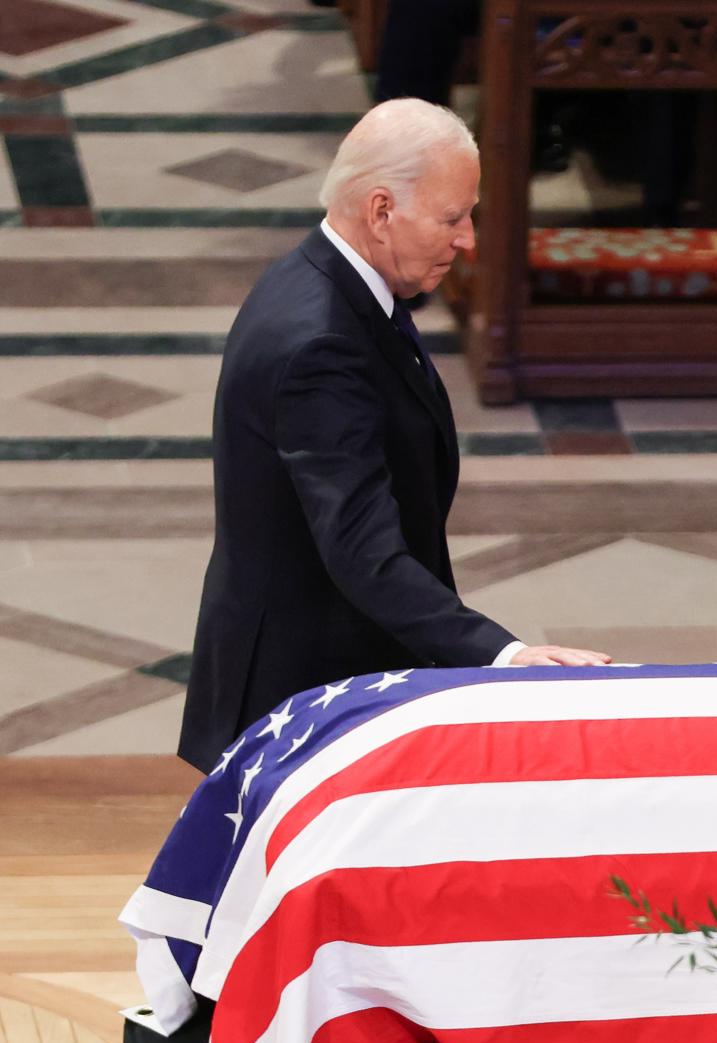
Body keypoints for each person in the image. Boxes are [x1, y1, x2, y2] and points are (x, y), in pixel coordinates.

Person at [178, 99, 608, 772]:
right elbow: (360, 549)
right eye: (452, 217)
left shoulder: (327, 281)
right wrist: (506, 656)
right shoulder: (319, 342)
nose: (467, 238)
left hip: (337, 661)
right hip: (302, 691)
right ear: (381, 211)